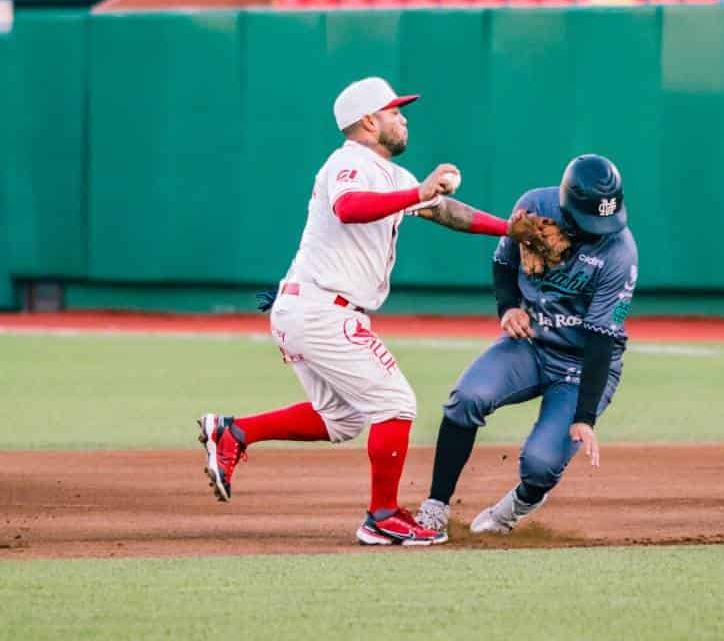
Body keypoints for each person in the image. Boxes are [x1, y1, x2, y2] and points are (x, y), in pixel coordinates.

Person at [197, 77, 512, 546]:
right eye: (395, 111)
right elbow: (349, 208)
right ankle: (381, 517)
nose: (403, 118)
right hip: (322, 307)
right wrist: (417, 193)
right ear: (369, 121)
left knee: (341, 419)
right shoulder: (347, 162)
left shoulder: (392, 176)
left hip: (312, 307)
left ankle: (234, 432)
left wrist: (510, 230)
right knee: (396, 404)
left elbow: (445, 211)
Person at [415, 155, 637, 539]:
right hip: (530, 345)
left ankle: (517, 506)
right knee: (466, 397)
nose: (599, 230)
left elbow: (602, 338)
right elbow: (503, 264)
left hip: (581, 367)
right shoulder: (535, 206)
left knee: (540, 463)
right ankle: (435, 507)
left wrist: (585, 417)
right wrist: (508, 309)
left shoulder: (619, 253)